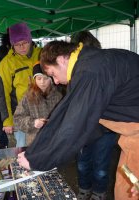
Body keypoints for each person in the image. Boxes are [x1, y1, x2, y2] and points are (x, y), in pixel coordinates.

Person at [17, 40, 139, 199]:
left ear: (61, 59)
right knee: (127, 186)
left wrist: (37, 161)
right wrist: (36, 152)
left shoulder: (90, 71)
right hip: (132, 135)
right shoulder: (91, 63)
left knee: (129, 192)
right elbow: (66, 115)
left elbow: (74, 124)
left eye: (53, 74)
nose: (56, 81)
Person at [71, 31, 119, 200]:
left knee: (101, 163)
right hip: (84, 128)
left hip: (106, 128)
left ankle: (99, 192)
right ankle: (84, 188)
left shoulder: (106, 68)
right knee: (83, 161)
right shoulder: (76, 71)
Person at [0, 22, 41, 147]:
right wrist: (7, 121)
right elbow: (2, 94)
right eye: (17, 44)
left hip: (44, 111)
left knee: (45, 147)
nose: (22, 47)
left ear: (30, 40)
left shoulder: (42, 54)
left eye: (25, 42)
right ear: (12, 44)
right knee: (23, 148)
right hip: (21, 115)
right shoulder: (6, 64)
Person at [13, 63, 62, 146]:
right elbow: (17, 120)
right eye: (39, 79)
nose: (42, 82)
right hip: (34, 143)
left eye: (46, 78)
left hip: (55, 142)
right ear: (34, 80)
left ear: (51, 79)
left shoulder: (58, 96)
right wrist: (33, 122)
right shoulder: (27, 97)